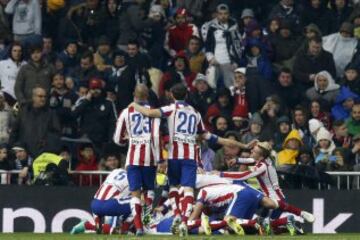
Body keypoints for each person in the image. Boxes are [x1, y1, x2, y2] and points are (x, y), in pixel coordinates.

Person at [131, 83, 253, 236]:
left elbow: (148, 113)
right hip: (190, 158)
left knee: (174, 187)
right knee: (188, 189)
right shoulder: (195, 113)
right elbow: (218, 139)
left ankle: (178, 216)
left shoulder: (170, 109)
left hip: (174, 156)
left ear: (171, 95)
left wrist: (133, 104)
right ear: (186, 95)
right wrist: (244, 145)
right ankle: (184, 220)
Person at [216, 142, 315, 233]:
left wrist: (221, 174)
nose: (251, 151)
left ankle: (289, 220)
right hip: (270, 196)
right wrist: (237, 160)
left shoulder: (262, 167)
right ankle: (292, 222)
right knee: (264, 228)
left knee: (264, 227)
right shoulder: (264, 160)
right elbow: (251, 160)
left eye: (254, 151)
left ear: (261, 155)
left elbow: (243, 175)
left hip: (273, 199)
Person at [113, 84, 162, 236]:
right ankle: (146, 222)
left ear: (133, 93)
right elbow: (155, 136)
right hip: (150, 158)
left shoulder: (126, 112)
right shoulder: (153, 112)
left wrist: (127, 140)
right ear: (148, 95)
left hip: (133, 158)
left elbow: (117, 139)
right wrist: (159, 158)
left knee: (135, 193)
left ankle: (138, 226)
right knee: (148, 191)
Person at [70, 168, 132, 235]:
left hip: (95, 203)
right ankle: (124, 230)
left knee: (100, 229)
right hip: (110, 205)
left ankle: (87, 225)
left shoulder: (116, 171)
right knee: (136, 203)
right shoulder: (133, 178)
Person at [10, 87, 61, 158]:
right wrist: (12, 149)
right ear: (33, 97)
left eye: (44, 97)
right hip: (24, 154)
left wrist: (46, 143)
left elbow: (56, 133)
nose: (43, 99)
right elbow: (14, 132)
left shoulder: (51, 114)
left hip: (42, 154)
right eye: (40, 96)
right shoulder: (23, 112)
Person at [203, 3, 243, 88]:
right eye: (220, 14)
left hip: (229, 62)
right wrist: (210, 58)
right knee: (212, 85)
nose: (223, 16)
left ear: (229, 14)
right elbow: (207, 45)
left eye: (225, 13)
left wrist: (236, 61)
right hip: (215, 62)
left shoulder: (234, 27)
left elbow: (239, 45)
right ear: (217, 14)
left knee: (231, 87)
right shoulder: (212, 28)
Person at [72, 78, 116, 151]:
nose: (95, 91)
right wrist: (86, 101)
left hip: (102, 141)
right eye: (93, 88)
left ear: (101, 89)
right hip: (85, 140)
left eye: (97, 88)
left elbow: (113, 123)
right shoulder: (83, 101)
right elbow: (73, 115)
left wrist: (111, 140)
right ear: (89, 89)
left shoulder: (108, 103)